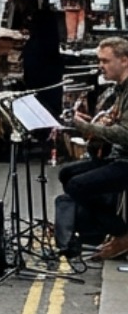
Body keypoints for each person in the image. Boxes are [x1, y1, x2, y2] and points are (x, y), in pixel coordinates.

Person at [60, 38, 128, 259]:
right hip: (118, 156)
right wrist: (97, 124)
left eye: (106, 61)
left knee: (78, 186)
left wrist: (85, 126)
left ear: (124, 61)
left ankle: (121, 233)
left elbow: (125, 134)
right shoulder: (119, 89)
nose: (101, 66)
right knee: (67, 173)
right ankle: (105, 230)